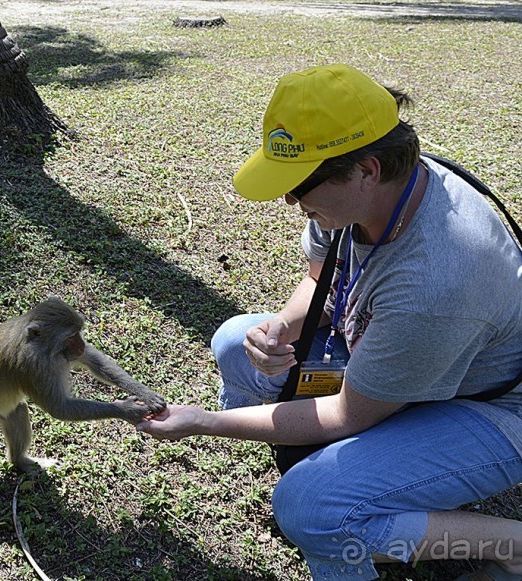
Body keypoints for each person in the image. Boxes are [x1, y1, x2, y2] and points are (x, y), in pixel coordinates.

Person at [136, 64, 522, 581]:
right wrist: (282, 330)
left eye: (300, 185)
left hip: (491, 409)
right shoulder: (377, 193)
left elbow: (349, 415)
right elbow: (322, 276)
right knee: (236, 341)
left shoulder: (437, 279)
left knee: (312, 509)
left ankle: (509, 544)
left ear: (367, 170)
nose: (290, 201)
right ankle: (347, 479)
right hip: (403, 364)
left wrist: (203, 422)